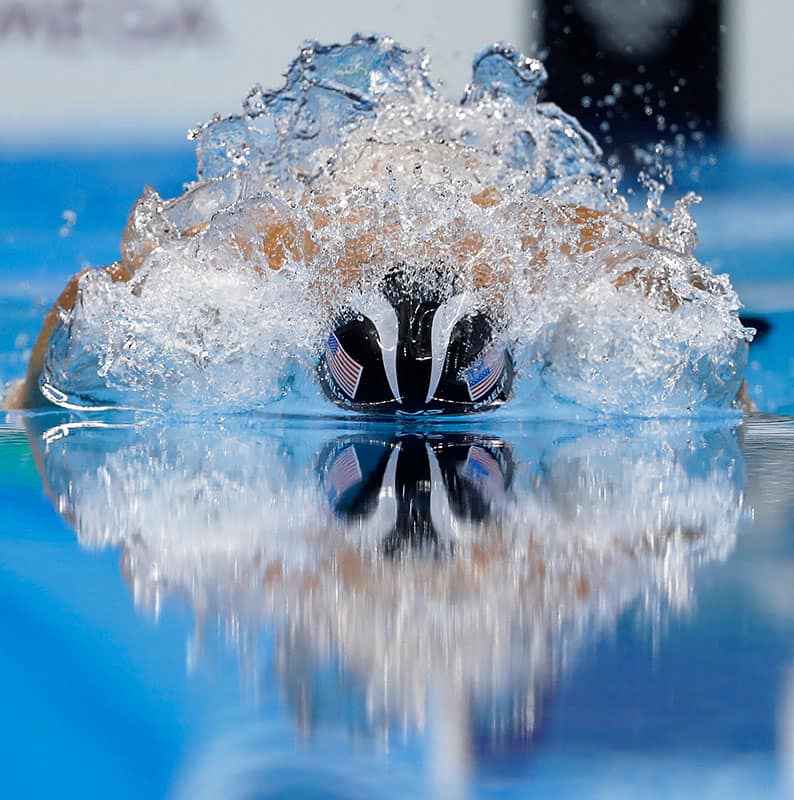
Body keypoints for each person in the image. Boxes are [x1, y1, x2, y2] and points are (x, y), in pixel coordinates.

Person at [4, 160, 748, 414]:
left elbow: (676, 286)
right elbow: (95, 296)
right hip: (354, 186)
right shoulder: (274, 259)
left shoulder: (541, 256)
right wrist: (23, 401)